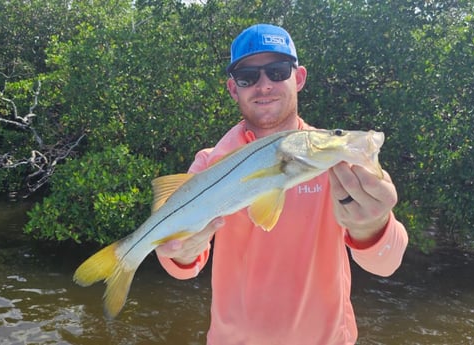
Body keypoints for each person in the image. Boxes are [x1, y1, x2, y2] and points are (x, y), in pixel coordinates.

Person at [155, 23, 409, 345]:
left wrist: (372, 226)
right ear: (234, 89)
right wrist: (181, 252)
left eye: (277, 71)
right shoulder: (209, 162)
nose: (264, 85)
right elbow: (182, 267)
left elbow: (386, 263)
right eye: (248, 77)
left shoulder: (333, 156)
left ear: (298, 77)